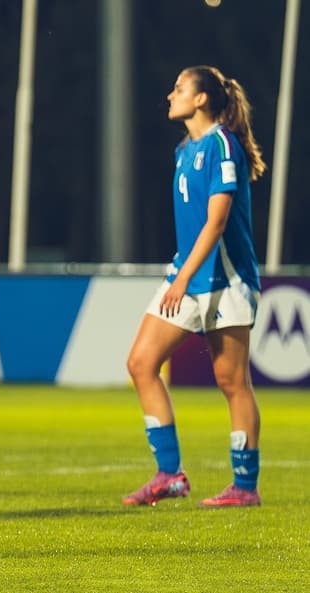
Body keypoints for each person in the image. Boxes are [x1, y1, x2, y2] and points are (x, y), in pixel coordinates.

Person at [123, 65, 266, 508]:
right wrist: (181, 274)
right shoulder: (185, 148)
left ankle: (244, 486)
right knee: (141, 363)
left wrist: (182, 279)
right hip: (188, 276)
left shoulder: (222, 145)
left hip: (226, 281)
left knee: (231, 381)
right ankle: (170, 475)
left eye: (180, 89)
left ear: (202, 99)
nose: (171, 95)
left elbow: (217, 221)